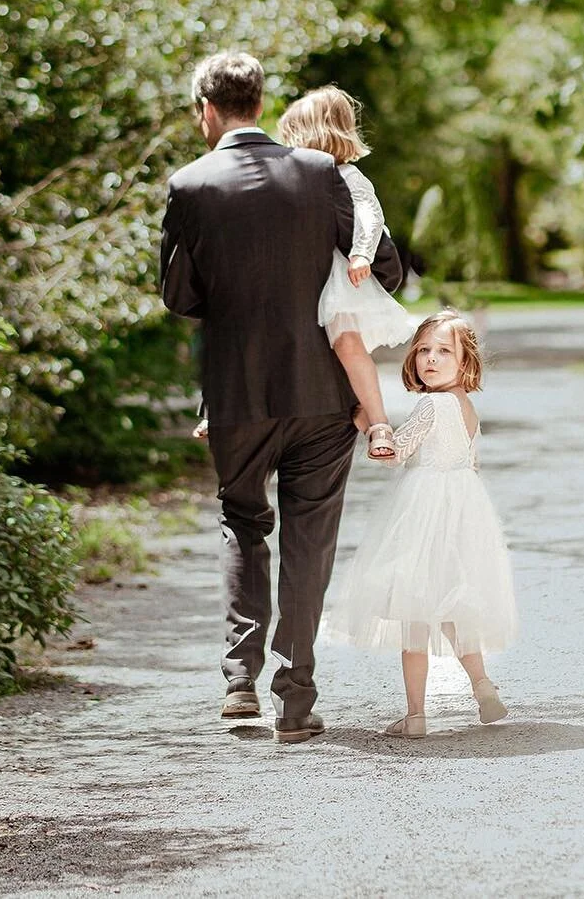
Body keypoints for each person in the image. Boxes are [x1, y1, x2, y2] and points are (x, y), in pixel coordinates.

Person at [160, 52, 405, 743]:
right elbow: (384, 265)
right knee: (310, 539)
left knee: (242, 519)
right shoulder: (322, 173)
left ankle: (239, 678)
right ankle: (294, 698)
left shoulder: (189, 184)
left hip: (236, 393)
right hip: (324, 392)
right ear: (261, 103)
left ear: (206, 109)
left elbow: (179, 296)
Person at [327, 310, 519, 738]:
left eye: (444, 352)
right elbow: (469, 462)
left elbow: (396, 451)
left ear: (465, 363)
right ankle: (483, 687)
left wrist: (368, 424)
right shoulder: (468, 409)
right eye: (424, 351)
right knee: (453, 608)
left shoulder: (431, 404)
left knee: (413, 612)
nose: (430, 359)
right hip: (463, 512)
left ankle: (415, 715)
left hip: (422, 512)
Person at [193, 86, 412, 456]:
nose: (286, 146)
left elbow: (370, 216)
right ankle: (221, 408)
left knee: (348, 345)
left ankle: (378, 423)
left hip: (340, 279)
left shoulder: (348, 176)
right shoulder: (293, 179)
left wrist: (361, 253)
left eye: (293, 136)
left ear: (317, 135)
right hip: (297, 278)